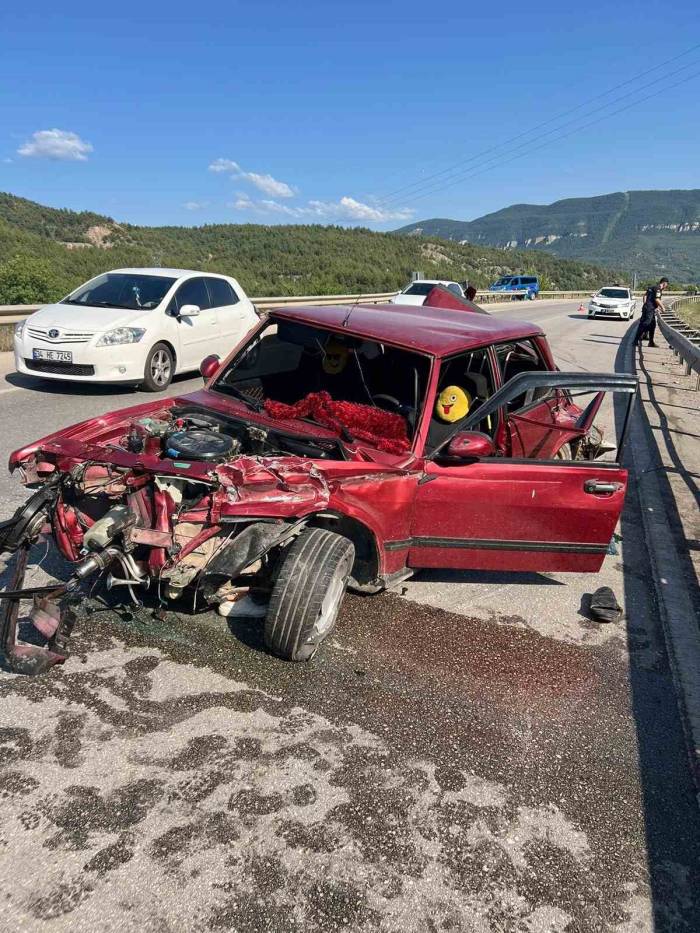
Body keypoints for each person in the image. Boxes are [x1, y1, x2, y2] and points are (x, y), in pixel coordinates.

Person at [635, 277, 669, 347]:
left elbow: (644, 296)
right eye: (666, 285)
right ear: (664, 283)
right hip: (649, 310)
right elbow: (657, 299)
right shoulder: (658, 289)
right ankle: (636, 340)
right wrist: (662, 307)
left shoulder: (652, 287)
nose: (666, 286)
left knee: (652, 325)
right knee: (646, 323)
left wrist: (646, 304)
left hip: (648, 308)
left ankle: (651, 342)